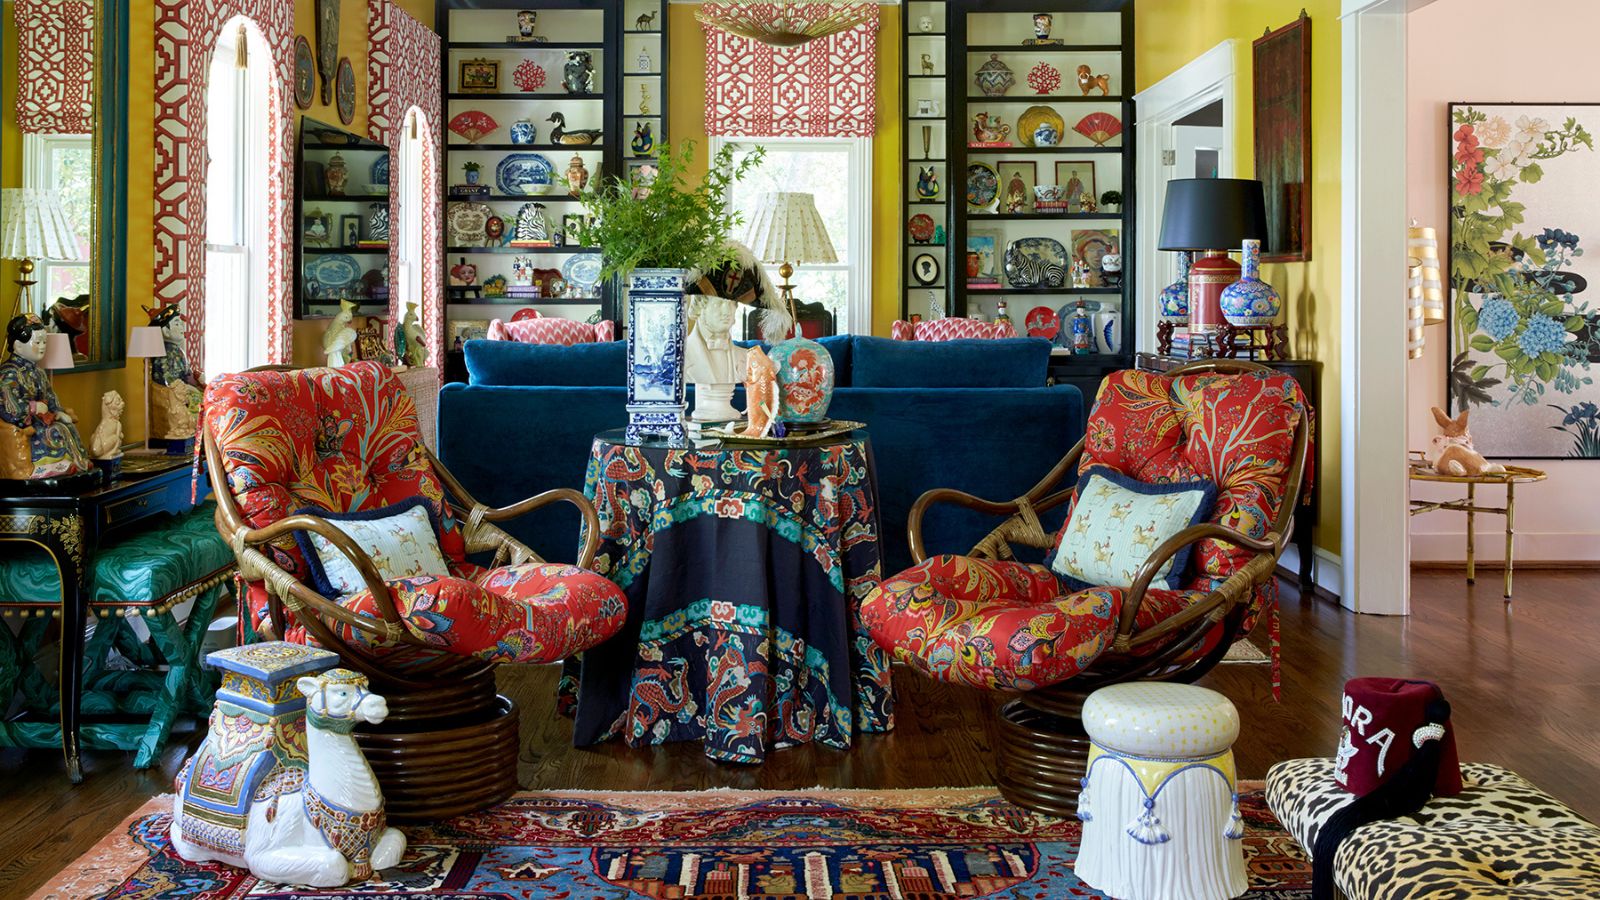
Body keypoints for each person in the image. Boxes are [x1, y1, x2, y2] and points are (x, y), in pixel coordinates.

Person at [0, 314, 92, 478]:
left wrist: (58, 411)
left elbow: (50, 396)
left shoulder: (39, 372)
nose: (42, 346)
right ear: (18, 346)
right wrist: (33, 408)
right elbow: (10, 408)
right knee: (54, 431)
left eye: (44, 342)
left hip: (42, 419)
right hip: (26, 423)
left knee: (67, 426)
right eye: (37, 342)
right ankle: (47, 467)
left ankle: (78, 461)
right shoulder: (9, 373)